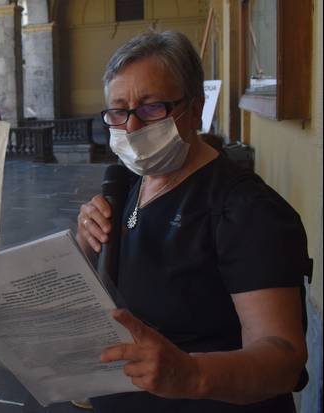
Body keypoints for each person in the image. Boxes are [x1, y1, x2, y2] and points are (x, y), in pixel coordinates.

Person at [76, 31, 309, 412]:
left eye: (151, 107)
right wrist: (85, 243)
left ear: (196, 108)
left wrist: (191, 374)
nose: (131, 127)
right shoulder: (131, 186)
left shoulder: (245, 209)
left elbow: (282, 359)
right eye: (119, 110)